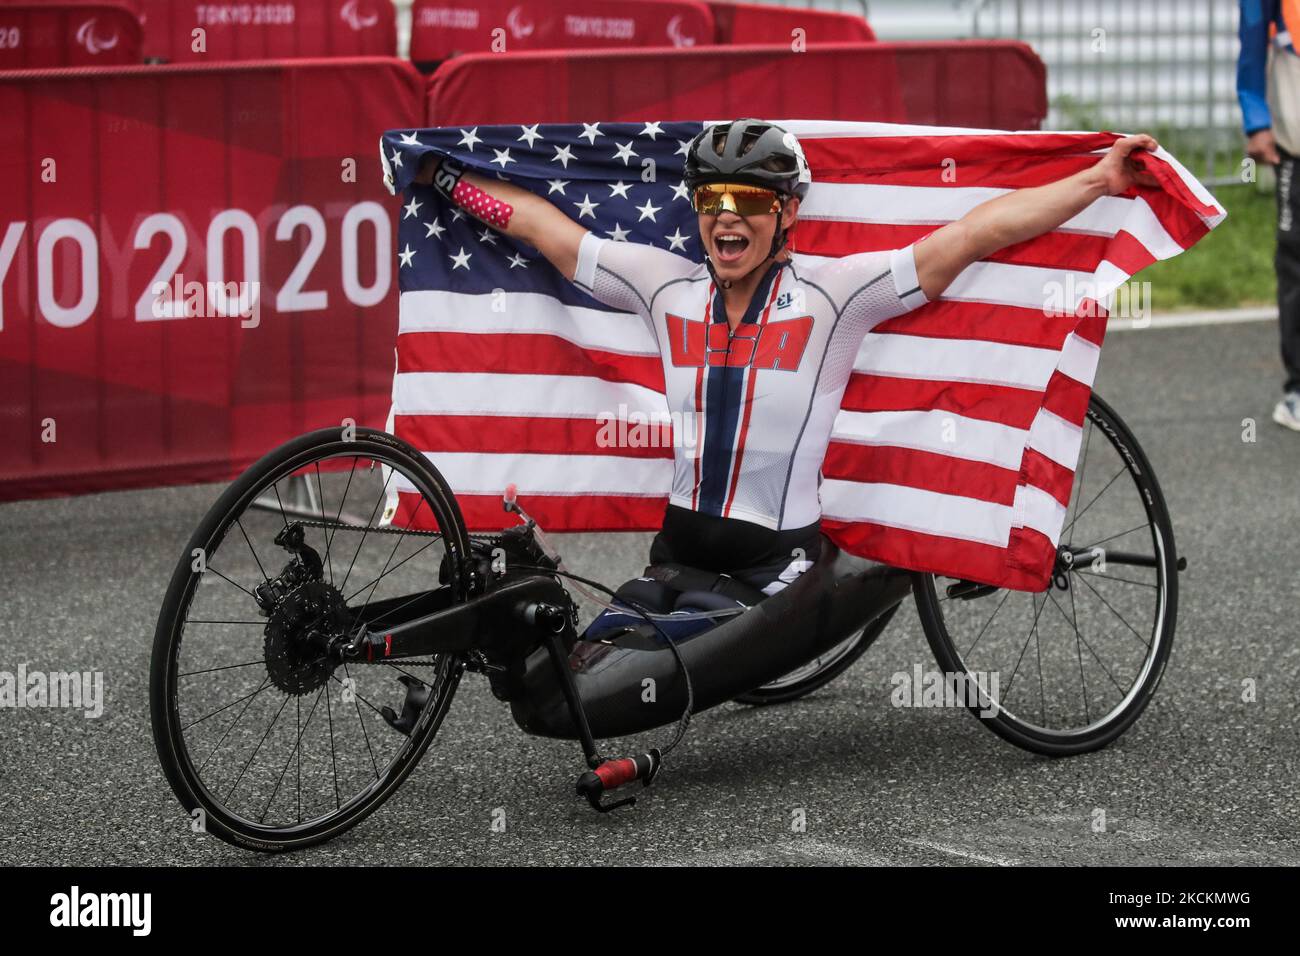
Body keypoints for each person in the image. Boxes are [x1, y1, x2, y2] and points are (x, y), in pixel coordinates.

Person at [417, 118, 1159, 607]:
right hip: (673, 553)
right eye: (711, 198)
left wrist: (1099, 180)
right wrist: (441, 176)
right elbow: (544, 229)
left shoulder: (836, 296)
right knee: (556, 652)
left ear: (788, 213)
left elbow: (973, 234)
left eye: (749, 198)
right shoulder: (662, 286)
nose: (726, 215)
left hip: (775, 567)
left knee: (614, 686)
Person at [1238, 0, 1300, 430]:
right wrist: (1256, 120)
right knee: (1296, 262)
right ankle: (1299, 388)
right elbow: (1251, 40)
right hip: (1295, 145)